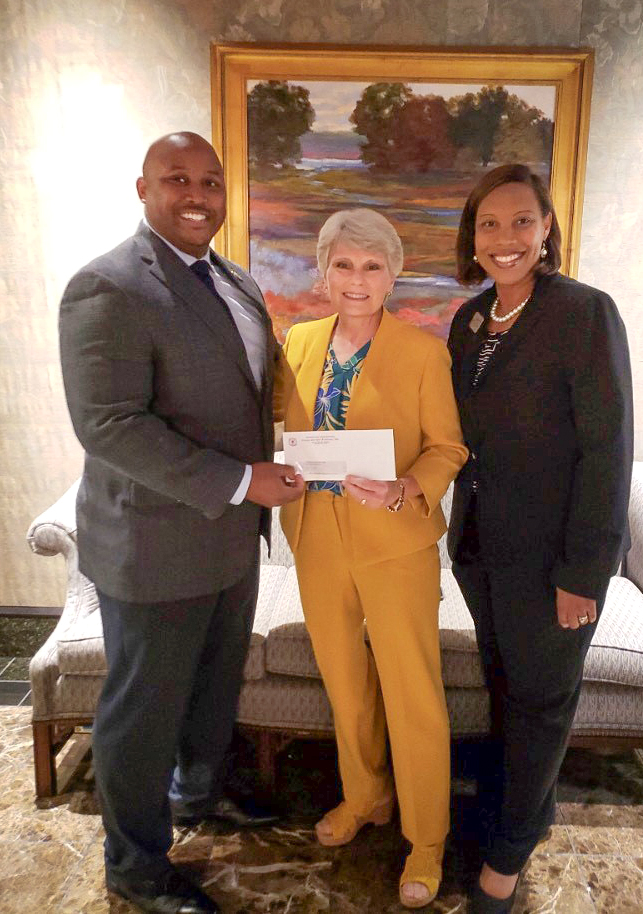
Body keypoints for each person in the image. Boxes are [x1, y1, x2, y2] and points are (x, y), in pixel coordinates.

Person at [59, 131, 304, 914]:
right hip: (154, 547)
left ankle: (199, 795)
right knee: (143, 707)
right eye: (176, 179)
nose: (196, 193)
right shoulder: (106, 286)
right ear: (142, 189)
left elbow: (251, 398)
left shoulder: (236, 281)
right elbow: (110, 426)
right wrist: (241, 480)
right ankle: (134, 864)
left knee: (209, 689)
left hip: (232, 540)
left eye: (209, 179)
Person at [447, 164, 633, 913]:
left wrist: (584, 573)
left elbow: (607, 449)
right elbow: (455, 434)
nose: (505, 239)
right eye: (489, 225)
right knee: (505, 692)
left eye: (522, 221)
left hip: (555, 559)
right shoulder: (469, 321)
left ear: (547, 227)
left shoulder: (585, 313)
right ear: (473, 237)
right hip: (481, 552)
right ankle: (518, 818)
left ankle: (506, 859)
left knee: (543, 700)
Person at [274, 208, 467, 908]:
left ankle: (427, 840)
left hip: (395, 539)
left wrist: (406, 486)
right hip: (315, 535)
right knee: (345, 682)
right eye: (344, 265)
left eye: (372, 266)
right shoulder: (296, 340)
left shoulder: (422, 353)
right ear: (323, 272)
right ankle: (367, 797)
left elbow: (448, 446)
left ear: (394, 276)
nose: (357, 279)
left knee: (412, 691)